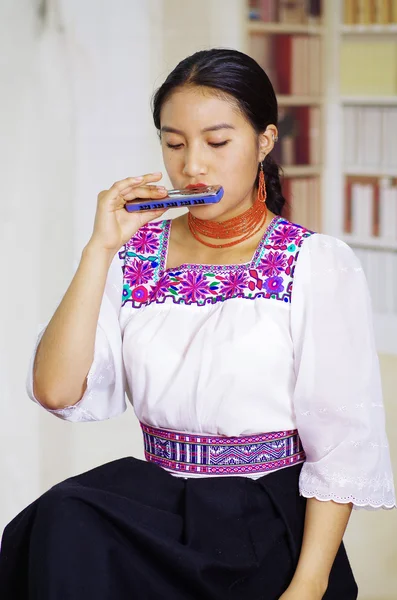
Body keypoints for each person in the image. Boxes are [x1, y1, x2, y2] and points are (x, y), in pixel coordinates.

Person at [0, 48, 395, 600]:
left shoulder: (316, 263)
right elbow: (55, 390)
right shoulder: (131, 256)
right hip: (164, 509)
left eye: (217, 142)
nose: (192, 168)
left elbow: (342, 448)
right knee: (63, 521)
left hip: (266, 521)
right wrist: (100, 249)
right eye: (174, 143)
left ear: (263, 141)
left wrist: (307, 587)